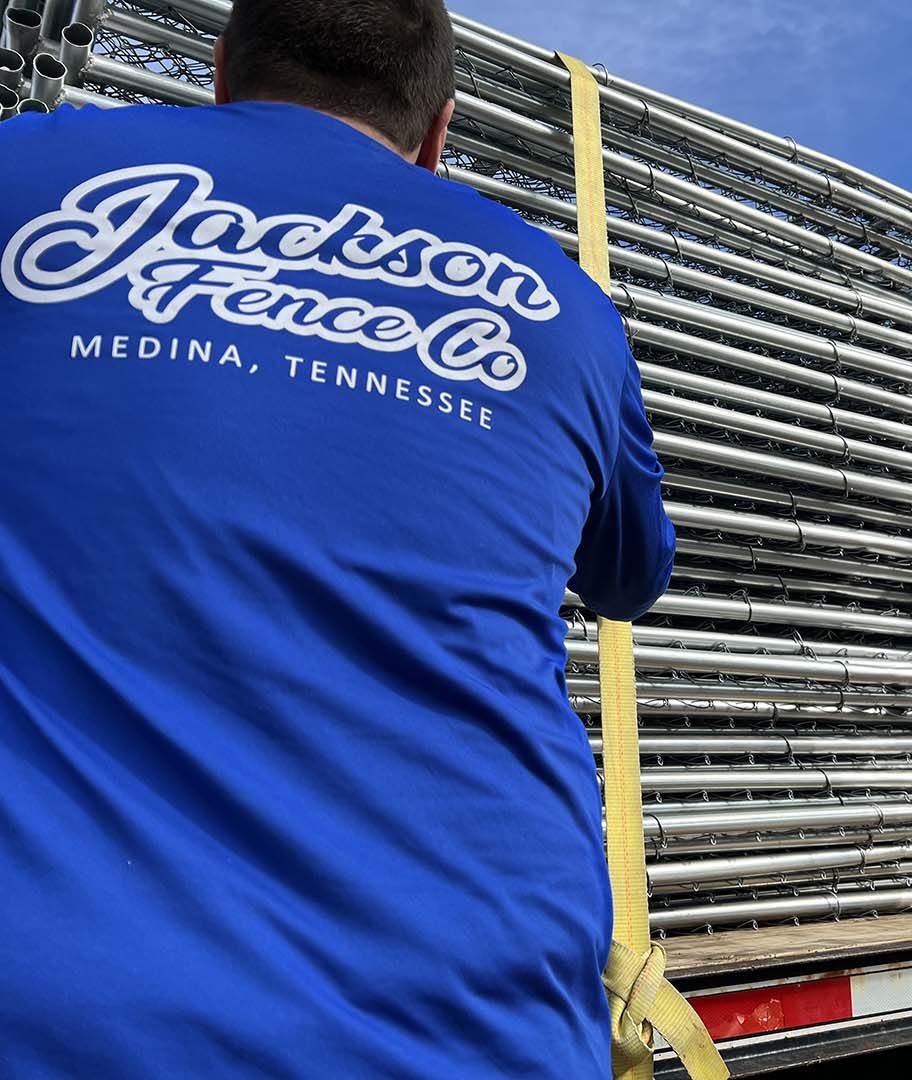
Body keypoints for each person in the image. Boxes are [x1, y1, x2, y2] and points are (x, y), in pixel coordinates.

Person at [0, 0, 674, 1075]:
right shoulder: (564, 304)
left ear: (221, 71)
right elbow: (633, 577)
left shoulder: (28, 179)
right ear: (441, 132)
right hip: (476, 1031)